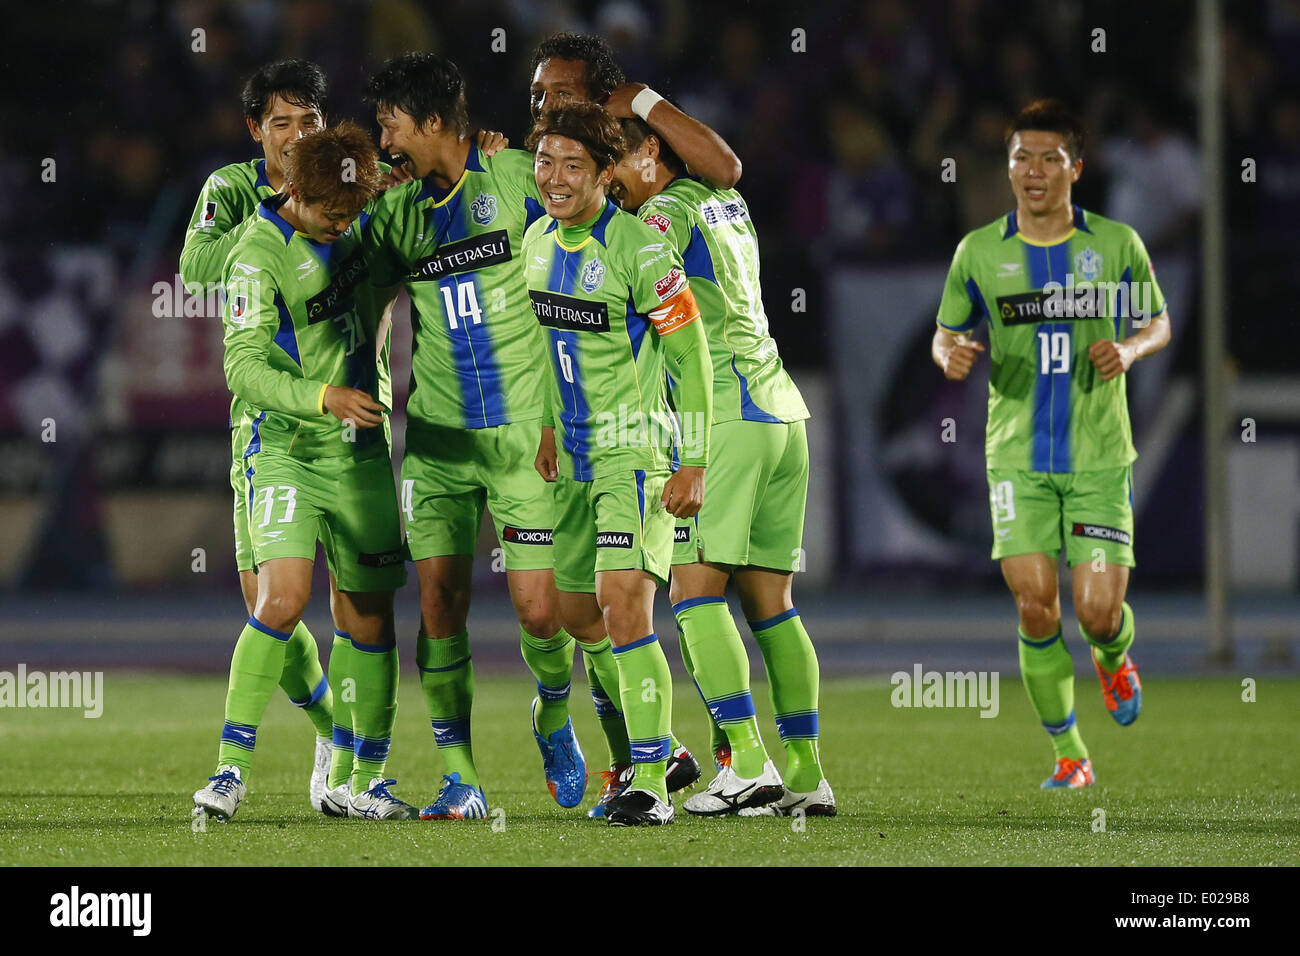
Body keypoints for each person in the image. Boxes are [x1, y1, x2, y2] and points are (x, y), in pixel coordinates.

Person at [528, 31, 742, 816]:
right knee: (575, 613)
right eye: (545, 163)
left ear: (604, 173)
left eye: (572, 166)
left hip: (637, 452)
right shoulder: (535, 245)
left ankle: (648, 779)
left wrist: (693, 460)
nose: (554, 178)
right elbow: (558, 349)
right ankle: (674, 750)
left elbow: (692, 362)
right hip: (576, 455)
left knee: (624, 602)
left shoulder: (645, 250)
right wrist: (552, 427)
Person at [931, 99, 1171, 789]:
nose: (1032, 171)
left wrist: (1128, 349)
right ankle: (1070, 752)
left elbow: (1158, 322)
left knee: (1097, 611)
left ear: (1076, 168)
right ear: (1009, 169)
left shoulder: (1117, 244)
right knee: (1036, 601)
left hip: (1098, 454)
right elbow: (947, 331)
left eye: (1048, 158)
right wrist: (950, 352)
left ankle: (1112, 651)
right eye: (1020, 158)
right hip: (1017, 456)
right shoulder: (979, 251)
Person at [610, 117, 835, 816]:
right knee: (772, 605)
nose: (605, 177)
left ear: (651, 151)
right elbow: (725, 164)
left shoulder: (661, 216)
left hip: (728, 417)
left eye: (612, 157)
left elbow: (638, 302)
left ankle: (744, 762)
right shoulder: (724, 201)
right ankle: (805, 774)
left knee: (694, 593)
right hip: (781, 411)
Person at [193, 123, 413, 820]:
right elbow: (243, 367)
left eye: (352, 212)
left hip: (360, 451)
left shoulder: (353, 205)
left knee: (368, 617)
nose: (342, 226)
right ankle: (230, 770)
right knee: (280, 603)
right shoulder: (257, 255)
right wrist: (321, 395)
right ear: (295, 191)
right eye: (330, 215)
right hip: (287, 445)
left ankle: (359, 777)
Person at [179, 59, 340, 812]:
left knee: (293, 603)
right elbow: (195, 270)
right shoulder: (233, 189)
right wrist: (272, 212)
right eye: (281, 122)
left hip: (339, 424)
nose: (297, 135)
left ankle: (245, 766)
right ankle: (336, 734)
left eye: (309, 120)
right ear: (256, 131)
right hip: (264, 418)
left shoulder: (344, 180)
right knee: (265, 604)